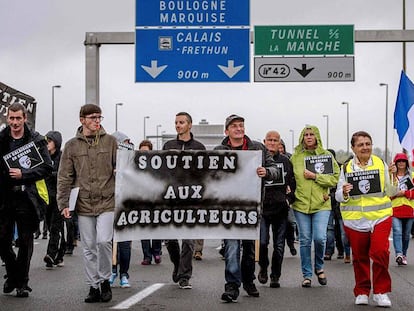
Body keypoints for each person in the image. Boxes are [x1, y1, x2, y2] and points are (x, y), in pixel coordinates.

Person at [57, 104, 117, 303]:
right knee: (89, 246)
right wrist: (63, 203)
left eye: (99, 117)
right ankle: (93, 286)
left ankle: (106, 280)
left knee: (103, 241)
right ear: (82, 119)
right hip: (83, 204)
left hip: (107, 201)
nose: (97, 121)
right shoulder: (72, 146)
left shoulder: (111, 142)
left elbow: (123, 169)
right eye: (93, 117)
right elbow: (64, 176)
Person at [215, 114, 278, 302]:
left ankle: (248, 280)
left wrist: (266, 172)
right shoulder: (219, 150)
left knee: (250, 248)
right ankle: (232, 285)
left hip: (252, 206)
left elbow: (275, 170)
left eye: (241, 125)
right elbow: (209, 175)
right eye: (234, 126)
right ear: (227, 131)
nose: (239, 129)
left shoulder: (257, 148)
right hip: (229, 207)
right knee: (232, 247)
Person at [335, 131, 397, 307]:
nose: (365, 147)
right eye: (360, 144)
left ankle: (380, 291)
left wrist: (393, 176)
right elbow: (338, 195)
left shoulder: (380, 163)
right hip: (355, 219)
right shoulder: (346, 168)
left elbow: (391, 192)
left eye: (368, 143)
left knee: (380, 253)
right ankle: (362, 291)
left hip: (380, 216)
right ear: (353, 148)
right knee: (360, 257)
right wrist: (344, 192)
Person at [0, 103, 53, 297]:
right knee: (2, 239)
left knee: (24, 240)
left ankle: (22, 282)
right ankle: (13, 274)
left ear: (25, 119)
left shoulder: (36, 139)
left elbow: (47, 167)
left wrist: (24, 174)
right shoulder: (1, 139)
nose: (14, 122)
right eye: (11, 118)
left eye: (18, 119)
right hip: (5, 197)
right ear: (7, 118)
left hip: (26, 196)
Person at [290, 125, 340, 288]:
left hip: (321, 204)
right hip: (301, 204)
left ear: (317, 137)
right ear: (302, 137)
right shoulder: (295, 157)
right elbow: (289, 178)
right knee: (304, 240)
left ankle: (319, 266)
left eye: (312, 134)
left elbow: (334, 179)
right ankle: (307, 275)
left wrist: (316, 176)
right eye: (306, 134)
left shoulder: (326, 156)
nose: (309, 137)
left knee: (319, 238)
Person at [163, 112, 206, 289]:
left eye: (181, 122)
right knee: (170, 239)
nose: (178, 125)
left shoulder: (199, 147)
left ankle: (185, 276)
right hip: (171, 198)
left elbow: (204, 172)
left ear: (190, 125)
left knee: (188, 240)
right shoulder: (168, 145)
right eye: (176, 122)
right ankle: (177, 264)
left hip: (191, 199)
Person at [258, 131, 295, 288]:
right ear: (264, 141)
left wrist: (289, 199)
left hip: (280, 209)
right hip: (263, 209)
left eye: (275, 141)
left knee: (279, 246)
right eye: (269, 140)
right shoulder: (258, 159)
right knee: (263, 242)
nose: (272, 143)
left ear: (279, 143)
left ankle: (275, 275)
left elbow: (292, 183)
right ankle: (263, 268)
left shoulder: (286, 161)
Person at [109, 131, 135, 288]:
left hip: (126, 205)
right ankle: (111, 270)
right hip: (110, 205)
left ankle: (124, 273)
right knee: (110, 242)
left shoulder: (132, 160)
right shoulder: (108, 160)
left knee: (125, 243)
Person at [43, 131, 66, 269]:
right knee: (51, 225)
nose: (47, 144)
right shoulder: (43, 157)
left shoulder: (62, 158)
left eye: (49, 141)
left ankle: (51, 254)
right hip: (46, 197)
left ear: (56, 143)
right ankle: (60, 254)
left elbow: (65, 174)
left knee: (55, 227)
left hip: (59, 197)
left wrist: (51, 174)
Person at [138, 139, 162, 266]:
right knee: (144, 229)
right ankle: (147, 256)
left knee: (156, 227)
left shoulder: (157, 166)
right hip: (142, 200)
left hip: (155, 200)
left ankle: (157, 252)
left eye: (146, 151)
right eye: (141, 151)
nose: (143, 154)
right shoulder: (136, 166)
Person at [324, 149, 351, 264]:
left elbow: (340, 187)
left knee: (342, 231)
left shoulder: (340, 168)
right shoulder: (321, 169)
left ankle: (344, 252)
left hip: (339, 204)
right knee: (329, 229)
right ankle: (328, 251)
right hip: (327, 204)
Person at [390, 153, 414, 266]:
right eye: (398, 161)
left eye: (403, 161)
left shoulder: (412, 176)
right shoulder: (391, 177)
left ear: (406, 163)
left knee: (406, 235)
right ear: (395, 163)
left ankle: (403, 254)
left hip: (409, 209)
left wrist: (405, 193)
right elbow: (388, 193)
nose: (401, 163)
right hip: (395, 209)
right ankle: (398, 254)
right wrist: (396, 194)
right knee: (397, 232)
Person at [278, 139, 297, 256]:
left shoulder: (289, 160)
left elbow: (293, 179)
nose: (280, 150)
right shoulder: (268, 160)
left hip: (287, 197)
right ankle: (279, 246)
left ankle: (290, 243)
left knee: (290, 223)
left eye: (281, 147)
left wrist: (290, 196)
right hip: (274, 198)